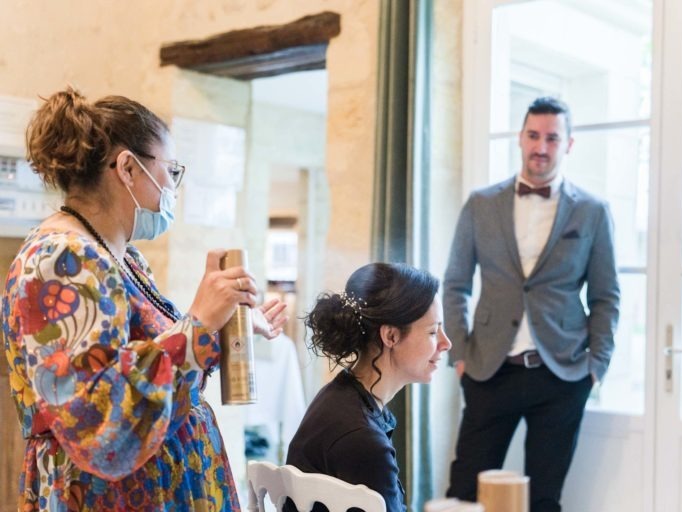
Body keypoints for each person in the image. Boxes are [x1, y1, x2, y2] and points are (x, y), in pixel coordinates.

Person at [2, 87, 287, 511]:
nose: (173, 187)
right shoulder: (63, 259)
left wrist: (224, 324)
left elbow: (140, 356)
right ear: (129, 168)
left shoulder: (120, 256)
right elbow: (101, 426)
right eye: (170, 170)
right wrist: (198, 322)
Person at [443, 97, 620, 512]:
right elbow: (454, 283)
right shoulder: (481, 204)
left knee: (543, 500)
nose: (541, 147)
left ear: (568, 145)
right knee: (464, 493)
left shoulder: (593, 211)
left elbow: (606, 295)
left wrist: (596, 367)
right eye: (534, 136)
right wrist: (461, 357)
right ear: (520, 138)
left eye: (552, 138)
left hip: (561, 375)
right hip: (489, 370)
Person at [286, 262, 452, 512]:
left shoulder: (338, 395)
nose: (446, 343)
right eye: (432, 332)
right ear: (391, 337)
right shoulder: (363, 440)